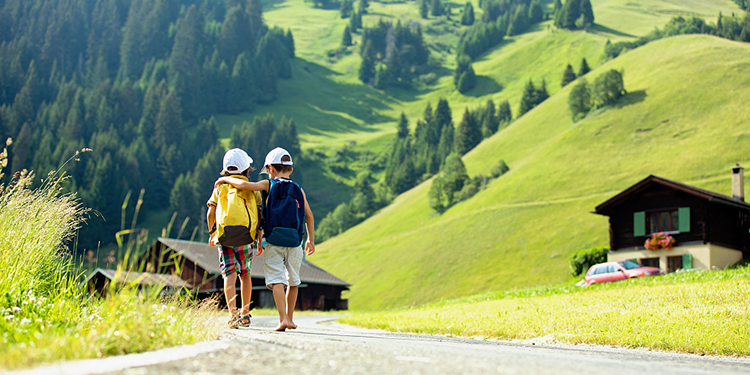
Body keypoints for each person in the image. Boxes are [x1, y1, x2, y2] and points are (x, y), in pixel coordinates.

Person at [215, 147, 315, 332]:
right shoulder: (299, 190)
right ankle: (291, 319)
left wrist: (224, 179)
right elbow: (309, 215)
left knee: (277, 280)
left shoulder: (269, 185)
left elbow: (244, 186)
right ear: (291, 169)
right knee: (293, 281)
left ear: (270, 169)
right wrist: (310, 240)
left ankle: (282, 318)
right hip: (295, 242)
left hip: (273, 241)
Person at [207, 148, 263, 329]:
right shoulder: (252, 189)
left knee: (229, 275)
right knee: (245, 275)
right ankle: (245, 314)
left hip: (224, 237)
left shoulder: (220, 186)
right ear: (247, 169)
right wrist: (259, 238)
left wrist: (212, 232)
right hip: (246, 238)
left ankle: (232, 315)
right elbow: (260, 215)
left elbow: (211, 212)